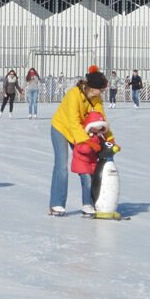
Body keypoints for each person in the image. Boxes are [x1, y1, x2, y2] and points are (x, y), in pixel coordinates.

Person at [49, 65, 114, 216]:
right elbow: (73, 122)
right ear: (92, 88)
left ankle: (88, 204)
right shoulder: (73, 95)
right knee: (62, 166)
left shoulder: (96, 98)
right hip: (61, 128)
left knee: (87, 165)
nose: (102, 92)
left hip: (80, 132)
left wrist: (109, 138)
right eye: (101, 89)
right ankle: (56, 204)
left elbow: (101, 119)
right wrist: (87, 141)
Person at [71, 110, 111, 216]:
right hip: (82, 163)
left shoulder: (98, 136)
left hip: (92, 164)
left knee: (95, 183)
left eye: (99, 128)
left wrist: (109, 146)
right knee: (87, 183)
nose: (97, 130)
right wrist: (91, 146)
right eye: (95, 127)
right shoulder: (82, 135)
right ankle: (86, 204)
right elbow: (80, 148)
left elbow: (103, 144)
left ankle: (95, 203)